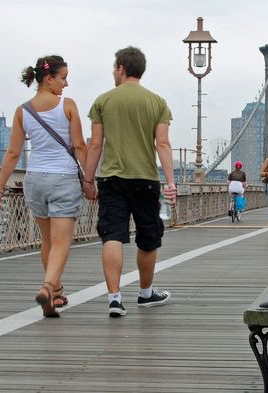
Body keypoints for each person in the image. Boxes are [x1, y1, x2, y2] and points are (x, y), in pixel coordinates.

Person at [83, 46, 176, 318]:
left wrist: (88, 180)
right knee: (148, 237)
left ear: (122, 68)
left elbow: (96, 145)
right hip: (146, 179)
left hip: (111, 178)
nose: (113, 72)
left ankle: (114, 298)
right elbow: (163, 144)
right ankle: (146, 294)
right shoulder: (158, 102)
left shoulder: (103, 101)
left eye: (115, 68)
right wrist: (170, 182)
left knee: (112, 235)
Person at [0, 55, 87, 318]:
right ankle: (47, 287)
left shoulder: (22, 110)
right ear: (49, 79)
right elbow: (79, 146)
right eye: (63, 78)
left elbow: (13, 153)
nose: (66, 84)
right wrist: (91, 179)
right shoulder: (67, 105)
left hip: (34, 179)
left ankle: (56, 293)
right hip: (63, 179)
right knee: (62, 242)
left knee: (47, 240)